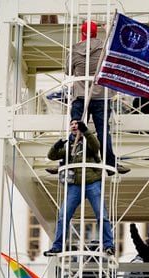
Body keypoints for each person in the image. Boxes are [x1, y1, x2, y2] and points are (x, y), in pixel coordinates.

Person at [43, 119, 115, 257]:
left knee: (102, 215)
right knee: (63, 216)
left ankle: (108, 245)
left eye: (76, 124)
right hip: (75, 185)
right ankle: (57, 246)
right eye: (72, 124)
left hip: (92, 182)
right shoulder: (69, 146)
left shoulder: (88, 141)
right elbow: (51, 156)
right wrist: (55, 146)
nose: (74, 126)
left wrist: (86, 131)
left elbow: (96, 146)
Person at [68, 20, 130, 176]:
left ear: (82, 33)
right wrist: (109, 29)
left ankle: (66, 162)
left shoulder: (75, 50)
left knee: (75, 130)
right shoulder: (105, 47)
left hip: (81, 96)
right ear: (96, 33)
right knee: (103, 132)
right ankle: (110, 164)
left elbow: (68, 71)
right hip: (102, 95)